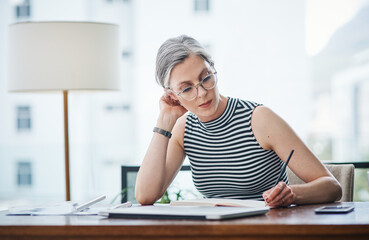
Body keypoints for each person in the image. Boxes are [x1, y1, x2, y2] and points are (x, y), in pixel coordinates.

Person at [135, 35, 342, 207]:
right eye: (187, 89)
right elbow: (145, 196)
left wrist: (292, 194)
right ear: (172, 95)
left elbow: (331, 186)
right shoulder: (184, 129)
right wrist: (164, 121)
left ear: (214, 70)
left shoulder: (259, 119)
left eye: (206, 78)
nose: (202, 94)